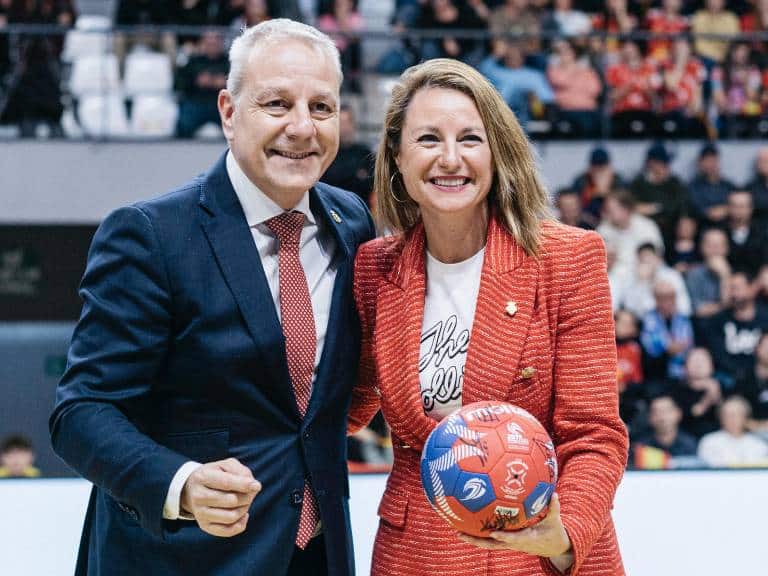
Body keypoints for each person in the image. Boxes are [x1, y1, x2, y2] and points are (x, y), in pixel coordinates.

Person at [49, 19, 374, 576]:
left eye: (321, 108)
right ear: (228, 111)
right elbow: (81, 412)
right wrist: (181, 482)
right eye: (277, 104)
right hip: (182, 556)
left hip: (318, 556)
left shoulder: (350, 221)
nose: (302, 127)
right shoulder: (151, 234)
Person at [349, 58, 628, 576]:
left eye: (470, 139)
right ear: (397, 157)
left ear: (497, 152)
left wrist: (563, 537)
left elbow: (593, 435)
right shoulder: (373, 269)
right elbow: (347, 407)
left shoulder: (568, 259)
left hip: (543, 553)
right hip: (417, 556)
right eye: (428, 139)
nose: (450, 159)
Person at [697, 395, 768, 467]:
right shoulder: (709, 441)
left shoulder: (758, 443)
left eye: (736, 414)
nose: (732, 419)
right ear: (721, 417)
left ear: (745, 417)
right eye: (728, 415)